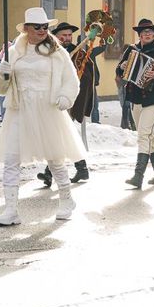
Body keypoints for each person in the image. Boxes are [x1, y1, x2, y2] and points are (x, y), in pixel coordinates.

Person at [0, 7, 86, 225]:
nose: (43, 30)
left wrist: (66, 96)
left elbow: (71, 79)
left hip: (47, 108)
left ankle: (66, 200)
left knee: (54, 158)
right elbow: (0, 88)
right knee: (11, 159)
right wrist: (3, 73)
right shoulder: (14, 51)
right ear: (26, 29)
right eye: (38, 27)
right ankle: (10, 210)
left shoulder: (56, 51)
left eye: (45, 27)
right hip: (19, 109)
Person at [118, 18, 154, 189]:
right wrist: (122, 66)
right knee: (149, 135)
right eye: (144, 32)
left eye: (150, 31)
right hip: (136, 98)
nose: (147, 34)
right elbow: (120, 70)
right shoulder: (131, 50)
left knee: (144, 133)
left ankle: (138, 175)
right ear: (139, 34)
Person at [36, 21, 93, 186]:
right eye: (64, 36)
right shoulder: (51, 52)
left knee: (59, 136)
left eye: (69, 35)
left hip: (69, 100)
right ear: (57, 37)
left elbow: (87, 77)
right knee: (62, 136)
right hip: (52, 98)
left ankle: (50, 173)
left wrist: (75, 76)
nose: (67, 38)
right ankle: (81, 169)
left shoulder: (79, 54)